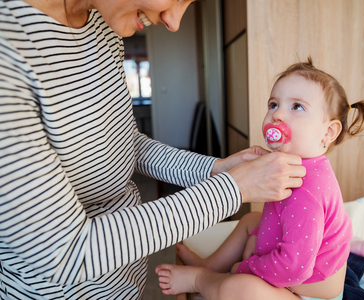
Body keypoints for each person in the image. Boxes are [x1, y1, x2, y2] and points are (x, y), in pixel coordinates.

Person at [0, 1, 307, 299]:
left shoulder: (103, 28)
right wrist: (232, 189)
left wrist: (215, 169)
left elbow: (124, 143)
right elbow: (62, 253)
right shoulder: (8, 50)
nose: (174, 22)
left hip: (125, 279)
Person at [156, 57, 364, 300]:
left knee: (238, 288)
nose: (277, 115)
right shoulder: (291, 165)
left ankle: (201, 279)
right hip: (296, 264)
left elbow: (293, 268)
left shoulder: (309, 192)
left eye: (297, 107)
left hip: (306, 292)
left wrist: (244, 268)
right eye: (273, 104)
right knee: (251, 219)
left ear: (328, 132)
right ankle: (208, 264)